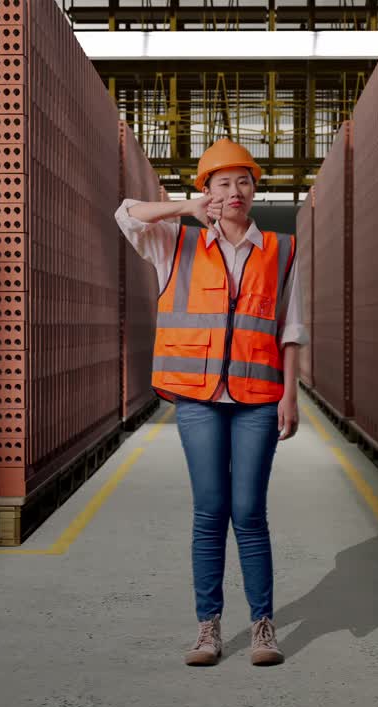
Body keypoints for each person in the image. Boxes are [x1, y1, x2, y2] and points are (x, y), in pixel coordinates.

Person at [114, 138, 309, 667]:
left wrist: (290, 395)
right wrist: (183, 208)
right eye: (221, 182)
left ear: (255, 189)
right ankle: (209, 628)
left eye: (243, 180)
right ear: (206, 191)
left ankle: (263, 626)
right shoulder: (172, 243)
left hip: (258, 398)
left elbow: (291, 327)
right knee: (210, 511)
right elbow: (125, 213)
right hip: (197, 397)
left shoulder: (281, 250)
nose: (234, 190)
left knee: (248, 511)